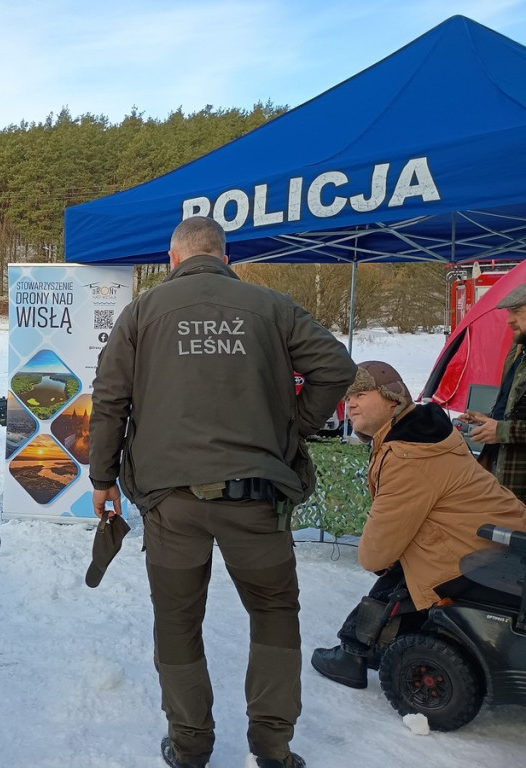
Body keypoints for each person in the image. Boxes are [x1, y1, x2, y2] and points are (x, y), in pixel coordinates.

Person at [89, 216, 356, 768]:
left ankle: (190, 745)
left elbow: (110, 398)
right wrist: (292, 428)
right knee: (275, 612)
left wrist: (102, 479)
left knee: (177, 620)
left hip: (171, 503)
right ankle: (273, 746)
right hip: (257, 498)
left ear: (173, 259)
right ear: (225, 257)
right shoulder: (272, 307)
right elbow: (336, 367)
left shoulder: (141, 313)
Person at [311, 361, 526, 688]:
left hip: (484, 549)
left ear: (391, 398)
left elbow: (374, 555)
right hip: (500, 539)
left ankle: (353, 653)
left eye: (361, 393)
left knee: (398, 571)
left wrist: (387, 557)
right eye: (347, 396)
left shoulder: (407, 453)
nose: (350, 403)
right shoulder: (422, 429)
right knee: (407, 558)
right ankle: (374, 644)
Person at [462, 283, 526, 501]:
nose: (508, 320)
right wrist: (490, 420)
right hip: (506, 479)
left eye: (516, 312)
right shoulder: (519, 350)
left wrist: (501, 431)